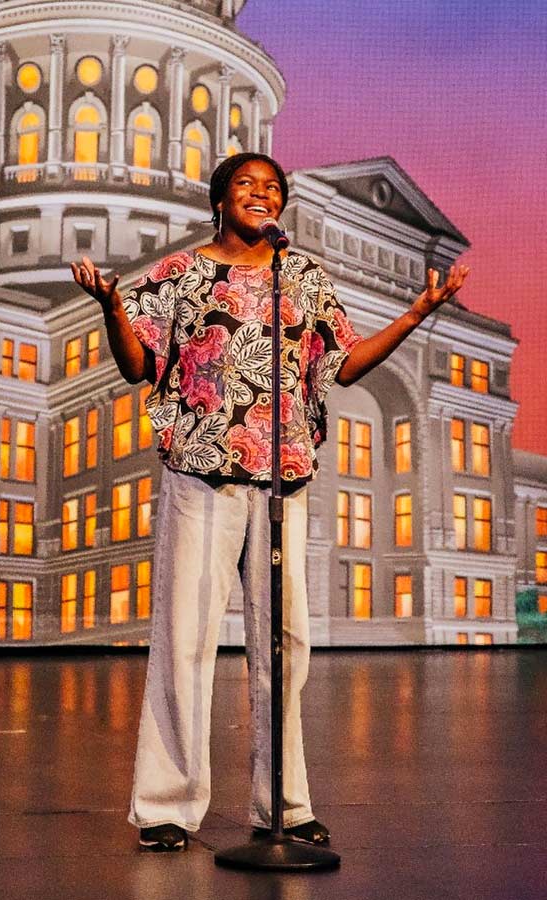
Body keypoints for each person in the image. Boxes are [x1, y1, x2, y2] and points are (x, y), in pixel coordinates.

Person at [71, 152, 469, 853]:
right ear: (220, 199)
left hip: (284, 477)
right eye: (249, 186)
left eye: (274, 188)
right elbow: (138, 366)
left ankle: (283, 805)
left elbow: (342, 362)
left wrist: (417, 312)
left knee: (284, 647)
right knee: (185, 639)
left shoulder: (304, 275)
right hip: (202, 472)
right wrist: (110, 305)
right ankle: (167, 803)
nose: (265, 195)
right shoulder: (179, 273)